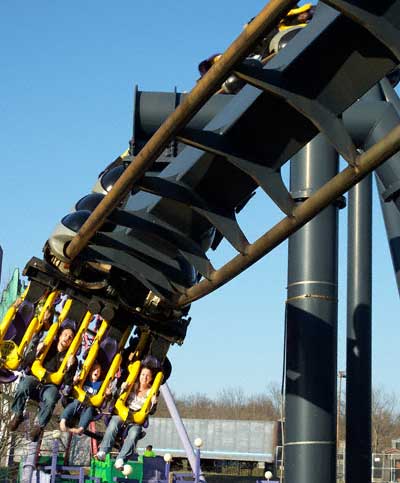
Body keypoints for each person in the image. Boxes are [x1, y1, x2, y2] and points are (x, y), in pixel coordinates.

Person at [9, 326, 77, 441]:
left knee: (51, 399)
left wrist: (70, 366)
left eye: (70, 337)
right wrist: (37, 351)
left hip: (51, 386)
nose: (67, 338)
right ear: (60, 336)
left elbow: (68, 382)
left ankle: (39, 426)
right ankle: (17, 414)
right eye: (65, 335)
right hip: (35, 378)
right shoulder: (47, 345)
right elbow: (26, 362)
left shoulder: (71, 358)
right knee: (23, 386)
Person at [95, 364, 158, 470]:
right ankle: (103, 451)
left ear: (151, 378)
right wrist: (122, 389)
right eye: (142, 374)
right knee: (113, 424)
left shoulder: (152, 392)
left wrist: (154, 403)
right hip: (123, 413)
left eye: (147, 376)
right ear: (139, 375)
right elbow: (116, 396)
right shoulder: (132, 385)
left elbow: (151, 411)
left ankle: (121, 459)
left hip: (136, 419)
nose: (144, 377)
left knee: (134, 434)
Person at [59, 361, 111, 435]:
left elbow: (106, 398)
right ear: (90, 372)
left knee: (90, 411)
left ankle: (81, 428)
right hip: (79, 400)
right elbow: (73, 385)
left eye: (98, 371)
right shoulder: (84, 380)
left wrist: (108, 394)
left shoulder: (101, 384)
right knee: (74, 403)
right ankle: (63, 420)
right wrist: (75, 381)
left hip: (90, 405)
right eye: (94, 369)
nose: (96, 371)